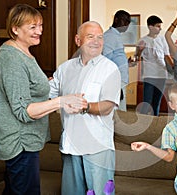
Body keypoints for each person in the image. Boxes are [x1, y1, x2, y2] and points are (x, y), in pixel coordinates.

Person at [0, 4, 87, 195]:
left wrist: (45, 83)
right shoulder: (12, 59)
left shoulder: (23, 52)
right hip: (19, 142)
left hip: (26, 141)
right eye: (32, 27)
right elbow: (23, 111)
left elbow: (24, 85)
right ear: (15, 29)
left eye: (40, 25)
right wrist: (61, 101)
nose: (39, 31)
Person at [49, 21, 121, 195]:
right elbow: (48, 94)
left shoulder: (110, 69)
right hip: (70, 145)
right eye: (90, 37)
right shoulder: (65, 69)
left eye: (100, 37)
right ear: (77, 40)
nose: (96, 41)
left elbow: (107, 106)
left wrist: (85, 106)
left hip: (97, 146)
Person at [136, 15, 173, 116]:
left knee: (157, 102)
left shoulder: (162, 39)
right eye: (158, 26)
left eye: (160, 26)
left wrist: (174, 67)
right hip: (149, 75)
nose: (160, 28)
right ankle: (143, 123)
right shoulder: (142, 40)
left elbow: (167, 56)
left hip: (161, 74)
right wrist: (139, 50)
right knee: (147, 102)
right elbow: (137, 58)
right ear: (150, 27)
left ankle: (154, 123)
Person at [103, 10, 131, 111]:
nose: (127, 24)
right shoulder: (109, 36)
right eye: (125, 20)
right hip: (115, 82)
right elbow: (105, 62)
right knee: (118, 114)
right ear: (116, 19)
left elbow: (114, 58)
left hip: (120, 81)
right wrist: (115, 86)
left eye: (128, 22)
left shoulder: (116, 36)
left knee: (121, 113)